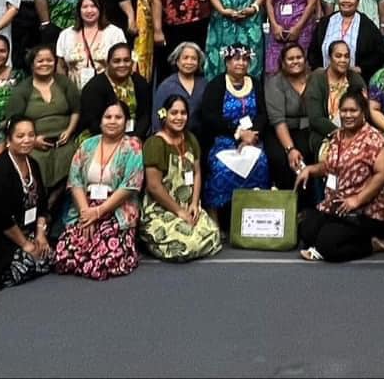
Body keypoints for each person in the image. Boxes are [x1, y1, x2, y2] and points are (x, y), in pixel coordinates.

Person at [296, 90, 384, 263]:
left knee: (327, 245)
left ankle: (372, 244)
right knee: (306, 230)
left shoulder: (374, 139)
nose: (348, 115)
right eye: (344, 111)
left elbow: (383, 175)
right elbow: (330, 166)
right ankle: (326, 238)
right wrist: (310, 170)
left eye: (353, 111)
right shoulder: (338, 135)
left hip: (364, 212)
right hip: (335, 205)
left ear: (363, 112)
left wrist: (357, 199)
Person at [58, 101, 145, 280]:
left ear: (126, 122)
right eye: (108, 117)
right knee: (64, 255)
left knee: (107, 260)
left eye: (118, 117)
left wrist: (98, 212)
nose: (112, 121)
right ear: (100, 121)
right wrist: (85, 213)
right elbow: (75, 181)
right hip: (86, 207)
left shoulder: (133, 147)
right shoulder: (87, 145)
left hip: (116, 208)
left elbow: (130, 186)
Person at [0, 117, 53, 290]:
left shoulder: (33, 164)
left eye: (30, 135)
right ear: (9, 140)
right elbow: (1, 218)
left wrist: (40, 234)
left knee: (50, 254)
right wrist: (26, 244)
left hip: (26, 229)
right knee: (31, 261)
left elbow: (42, 204)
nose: (26, 140)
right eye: (20, 136)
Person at [139, 95, 223, 262]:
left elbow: (197, 173)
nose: (179, 118)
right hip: (162, 210)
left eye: (183, 113)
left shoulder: (191, 139)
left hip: (187, 206)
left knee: (213, 233)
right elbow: (154, 186)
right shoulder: (155, 143)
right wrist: (178, 211)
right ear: (165, 115)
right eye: (174, 113)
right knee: (187, 243)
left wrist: (193, 204)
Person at [199, 45, 270, 219]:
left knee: (260, 162)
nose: (241, 63)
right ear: (227, 62)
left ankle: (254, 217)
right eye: (236, 59)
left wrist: (252, 135)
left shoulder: (254, 83)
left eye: (245, 59)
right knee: (221, 168)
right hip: (223, 139)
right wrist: (238, 133)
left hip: (251, 138)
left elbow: (262, 114)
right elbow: (210, 117)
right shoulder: (216, 84)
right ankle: (215, 216)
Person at [4, 46, 82, 191]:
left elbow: (76, 110)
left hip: (64, 143)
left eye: (49, 60)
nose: (45, 64)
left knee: (73, 166)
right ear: (32, 64)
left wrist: (70, 130)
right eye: (40, 61)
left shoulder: (64, 83)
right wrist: (33, 141)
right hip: (35, 145)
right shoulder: (23, 89)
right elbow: (13, 122)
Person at [265, 44, 317, 189]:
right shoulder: (275, 83)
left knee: (310, 152)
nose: (295, 61)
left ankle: (308, 206)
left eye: (299, 57)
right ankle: (286, 202)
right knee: (281, 159)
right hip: (281, 131)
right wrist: (290, 149)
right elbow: (278, 120)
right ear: (282, 63)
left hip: (309, 129)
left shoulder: (315, 78)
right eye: (290, 59)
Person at [78, 43, 154, 139]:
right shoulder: (94, 87)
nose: (122, 65)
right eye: (116, 61)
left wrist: (135, 137)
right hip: (99, 136)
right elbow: (93, 123)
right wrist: (118, 140)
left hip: (133, 136)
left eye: (126, 60)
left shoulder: (140, 82)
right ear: (108, 63)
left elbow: (145, 116)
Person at [304, 40, 369, 151]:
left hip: (355, 132)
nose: (343, 60)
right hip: (325, 134)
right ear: (330, 58)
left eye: (346, 56)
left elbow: (364, 112)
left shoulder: (355, 78)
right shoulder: (318, 78)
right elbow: (316, 119)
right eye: (338, 56)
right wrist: (342, 135)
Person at [55, 0, 127, 91]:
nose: (89, 10)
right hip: (74, 93)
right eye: (85, 7)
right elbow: (60, 67)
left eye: (93, 6)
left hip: (107, 91)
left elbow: (123, 63)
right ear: (79, 10)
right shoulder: (66, 34)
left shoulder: (115, 33)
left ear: (101, 9)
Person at [313, 0, 384, 75]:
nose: (346, 0)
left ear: (358, 0)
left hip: (356, 81)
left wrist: (361, 69)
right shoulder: (325, 23)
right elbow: (313, 51)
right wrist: (319, 71)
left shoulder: (367, 25)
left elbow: (380, 54)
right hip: (325, 79)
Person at [150, 42, 205, 133]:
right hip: (171, 137)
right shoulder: (166, 86)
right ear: (177, 61)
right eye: (185, 58)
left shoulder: (204, 84)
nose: (189, 62)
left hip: (199, 139)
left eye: (194, 59)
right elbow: (158, 116)